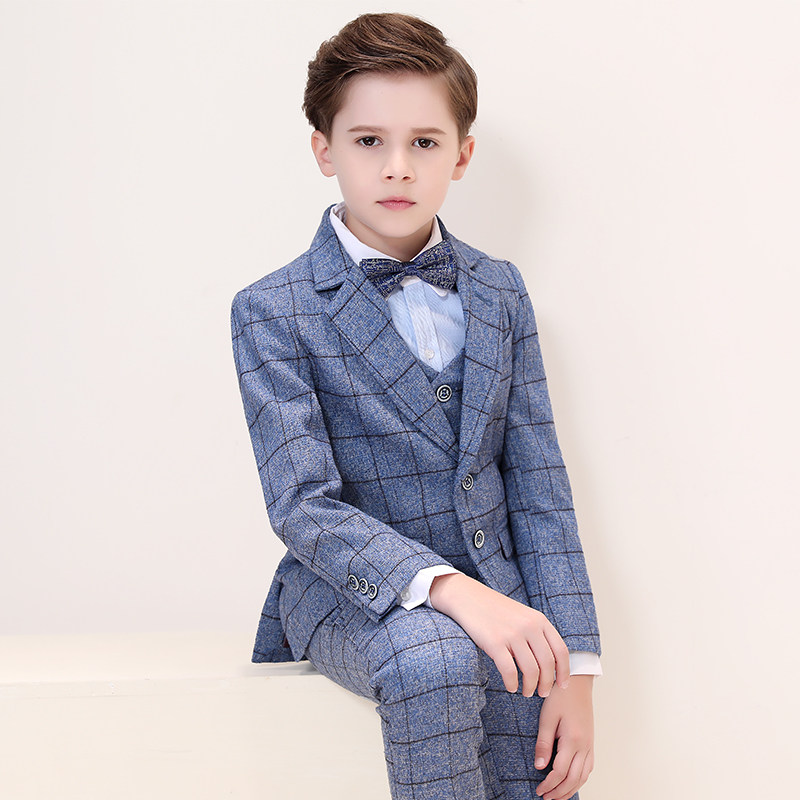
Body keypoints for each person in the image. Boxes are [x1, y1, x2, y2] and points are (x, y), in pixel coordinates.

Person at [230, 12, 602, 800]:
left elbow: (539, 484)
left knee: (528, 691)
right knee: (436, 658)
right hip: (345, 589)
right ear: (324, 149)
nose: (397, 168)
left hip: (497, 584)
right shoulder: (273, 309)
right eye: (368, 141)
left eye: (424, 142)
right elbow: (303, 506)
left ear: (461, 155)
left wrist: (576, 665)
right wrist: (450, 590)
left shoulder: (500, 289)